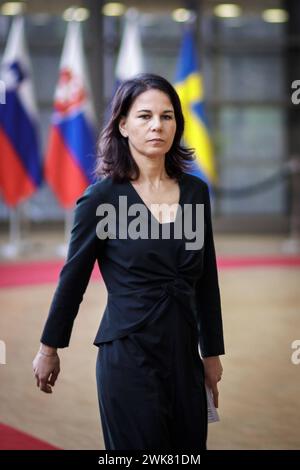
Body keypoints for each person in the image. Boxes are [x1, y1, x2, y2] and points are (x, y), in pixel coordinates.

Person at [33, 73, 225, 451]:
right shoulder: (101, 198)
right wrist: (48, 349)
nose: (157, 125)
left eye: (167, 116)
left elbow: (206, 279)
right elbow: (72, 280)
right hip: (128, 356)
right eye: (145, 116)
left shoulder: (196, 192)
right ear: (122, 125)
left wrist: (212, 353)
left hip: (184, 357)